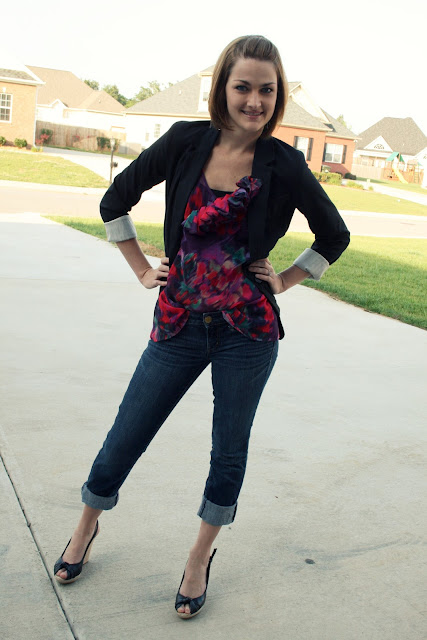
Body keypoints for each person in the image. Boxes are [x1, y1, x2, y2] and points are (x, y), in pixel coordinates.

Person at [53, 35, 350, 619]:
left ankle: (198, 556)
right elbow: (114, 201)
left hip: (248, 333)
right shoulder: (186, 141)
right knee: (127, 433)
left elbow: (334, 235)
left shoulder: (283, 163)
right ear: (222, 88)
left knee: (228, 451)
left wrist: (286, 279)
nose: (255, 101)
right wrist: (142, 268)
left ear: (278, 96)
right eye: (243, 87)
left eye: (267, 90)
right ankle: (86, 526)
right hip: (178, 324)